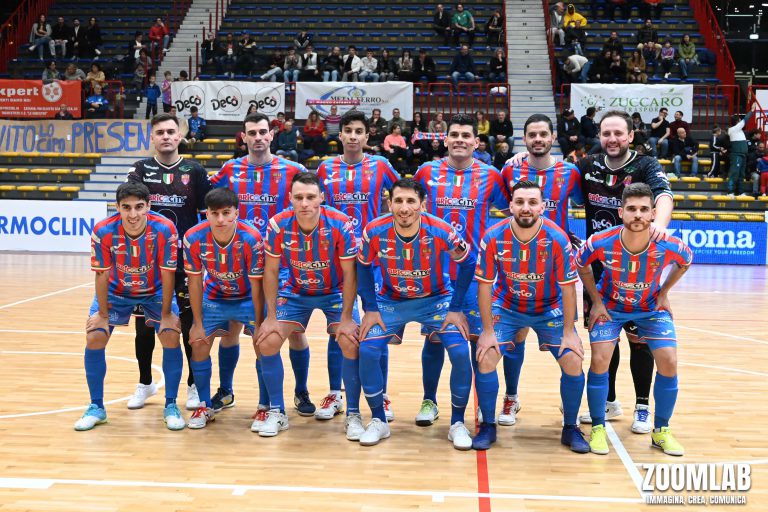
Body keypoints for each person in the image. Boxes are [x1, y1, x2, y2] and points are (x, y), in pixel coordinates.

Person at [507, 110, 674, 434]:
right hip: (598, 270)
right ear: (599, 136)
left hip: (638, 268)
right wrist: (521, 159)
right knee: (604, 338)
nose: (612, 139)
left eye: (618, 133)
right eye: (606, 133)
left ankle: (642, 406)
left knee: (639, 339)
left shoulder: (646, 165)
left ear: (630, 136)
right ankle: (609, 401)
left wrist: (661, 227)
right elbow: (550, 171)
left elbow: (664, 195)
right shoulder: (586, 166)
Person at [354, 178, 475, 448]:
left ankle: (457, 423)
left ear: (423, 204)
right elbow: (362, 266)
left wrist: (456, 309)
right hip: (391, 300)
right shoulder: (374, 230)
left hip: (436, 300)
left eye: (411, 201)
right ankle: (378, 420)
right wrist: (370, 308)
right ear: (389, 204)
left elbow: (468, 263)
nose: (404, 208)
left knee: (459, 353)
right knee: (368, 350)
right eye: (398, 201)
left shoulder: (442, 230)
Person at [210, 113, 315, 423]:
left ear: (272, 135)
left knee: (291, 330)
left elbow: (310, 206)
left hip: (282, 265)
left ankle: (300, 391)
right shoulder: (230, 169)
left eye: (262, 132)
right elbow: (211, 201)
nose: (257, 137)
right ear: (243, 137)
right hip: (237, 265)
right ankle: (226, 390)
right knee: (231, 328)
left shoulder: (293, 170)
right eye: (252, 133)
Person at [576, 182, 692, 456]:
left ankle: (661, 430)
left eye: (643, 209)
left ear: (653, 213)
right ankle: (598, 427)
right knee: (600, 359)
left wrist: (664, 292)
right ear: (621, 212)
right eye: (631, 209)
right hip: (610, 307)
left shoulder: (668, 244)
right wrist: (596, 301)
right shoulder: (601, 241)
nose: (637, 214)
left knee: (669, 360)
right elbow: (581, 263)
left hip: (650, 308)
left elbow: (685, 261)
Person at [472, 180, 588, 452]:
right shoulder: (493, 236)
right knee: (486, 356)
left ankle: (570, 428)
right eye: (520, 202)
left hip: (549, 307)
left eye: (533, 202)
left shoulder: (557, 238)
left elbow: (568, 288)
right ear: (510, 206)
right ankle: (487, 425)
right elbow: (485, 286)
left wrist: (569, 333)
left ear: (543, 207)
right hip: (507, 306)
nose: (526, 208)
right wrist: (487, 331)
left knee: (573, 359)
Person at [413, 113, 509, 427]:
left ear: (476, 142)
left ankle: (481, 404)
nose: (459, 140)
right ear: (445, 139)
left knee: (478, 340)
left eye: (466, 136)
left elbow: (510, 213)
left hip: (476, 275)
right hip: (435, 274)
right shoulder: (427, 171)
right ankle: (429, 401)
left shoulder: (491, 175)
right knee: (434, 339)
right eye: (454, 134)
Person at [255, 172, 360, 437]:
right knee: (267, 341)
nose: (304, 203)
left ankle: (351, 412)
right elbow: (270, 271)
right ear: (290, 198)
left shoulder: (340, 223)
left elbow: (350, 273)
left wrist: (347, 317)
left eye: (310, 197)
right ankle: (277, 412)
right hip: (296, 291)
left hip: (335, 291)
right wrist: (270, 317)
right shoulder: (278, 224)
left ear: (321, 198)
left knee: (349, 340)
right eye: (298, 197)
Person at [496, 114, 583, 425]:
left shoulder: (570, 172)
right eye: (532, 134)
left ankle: (569, 406)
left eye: (543, 134)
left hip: (556, 269)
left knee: (566, 343)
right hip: (517, 264)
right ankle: (511, 397)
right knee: (515, 335)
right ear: (524, 139)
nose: (538, 139)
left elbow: (585, 202)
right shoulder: (510, 169)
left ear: (552, 137)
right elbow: (506, 207)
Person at [315, 110, 401, 423]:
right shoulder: (325, 168)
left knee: (377, 327)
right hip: (337, 261)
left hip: (374, 260)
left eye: (358, 131)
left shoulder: (381, 165)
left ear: (367, 136)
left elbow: (405, 195)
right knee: (339, 327)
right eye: (348, 130)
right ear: (340, 135)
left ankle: (383, 395)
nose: (353, 136)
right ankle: (335, 393)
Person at [75, 182, 183, 431]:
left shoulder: (165, 228)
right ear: (117, 207)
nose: (133, 214)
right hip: (117, 292)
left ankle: (171, 405)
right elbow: (101, 274)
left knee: (170, 335)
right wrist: (103, 314)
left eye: (138, 207)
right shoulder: (103, 230)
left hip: (155, 291)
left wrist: (167, 313)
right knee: (94, 336)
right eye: (126, 207)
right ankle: (96, 407)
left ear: (149, 206)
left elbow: (168, 273)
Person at [126, 113, 212, 411]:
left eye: (171, 132)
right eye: (160, 132)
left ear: (179, 136)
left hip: (184, 262)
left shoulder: (195, 170)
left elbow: (206, 216)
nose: (165, 136)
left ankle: (192, 385)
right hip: (148, 261)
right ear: (152, 137)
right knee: (144, 326)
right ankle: (145, 382)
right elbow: (130, 211)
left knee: (188, 323)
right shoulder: (140, 169)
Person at [183, 188, 265, 428]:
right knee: (198, 342)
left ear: (236, 213)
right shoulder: (193, 237)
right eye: (214, 213)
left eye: (226, 213)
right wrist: (197, 323)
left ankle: (265, 406)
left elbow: (257, 284)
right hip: (216, 295)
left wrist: (260, 324)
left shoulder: (251, 237)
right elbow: (194, 281)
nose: (220, 219)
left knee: (264, 343)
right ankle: (204, 405)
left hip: (248, 296)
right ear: (206, 213)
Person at [726, 111, 754, 197]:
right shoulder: (733, 129)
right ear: (737, 122)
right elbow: (745, 119)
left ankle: (740, 192)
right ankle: (730, 192)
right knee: (734, 173)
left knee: (741, 174)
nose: (741, 121)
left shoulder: (739, 130)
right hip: (736, 155)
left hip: (743, 155)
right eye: (739, 120)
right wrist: (752, 111)